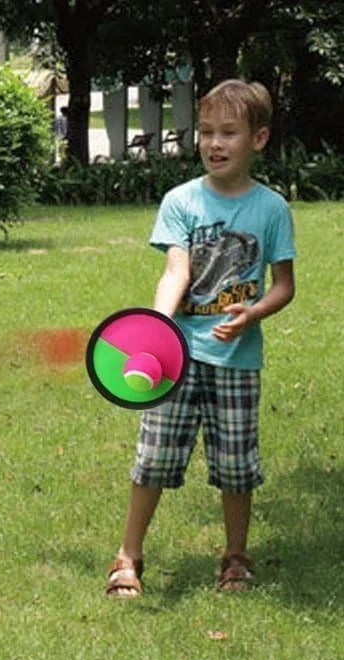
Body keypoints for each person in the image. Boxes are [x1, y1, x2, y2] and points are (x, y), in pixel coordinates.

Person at [105, 79, 296, 598]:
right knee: (154, 458)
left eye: (228, 132)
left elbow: (284, 287)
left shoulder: (273, 209)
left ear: (257, 139)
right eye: (207, 132)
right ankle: (128, 555)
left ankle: (235, 556)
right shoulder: (180, 201)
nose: (214, 142)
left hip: (237, 361)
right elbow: (175, 272)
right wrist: (158, 328)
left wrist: (253, 313)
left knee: (237, 466)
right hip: (177, 360)